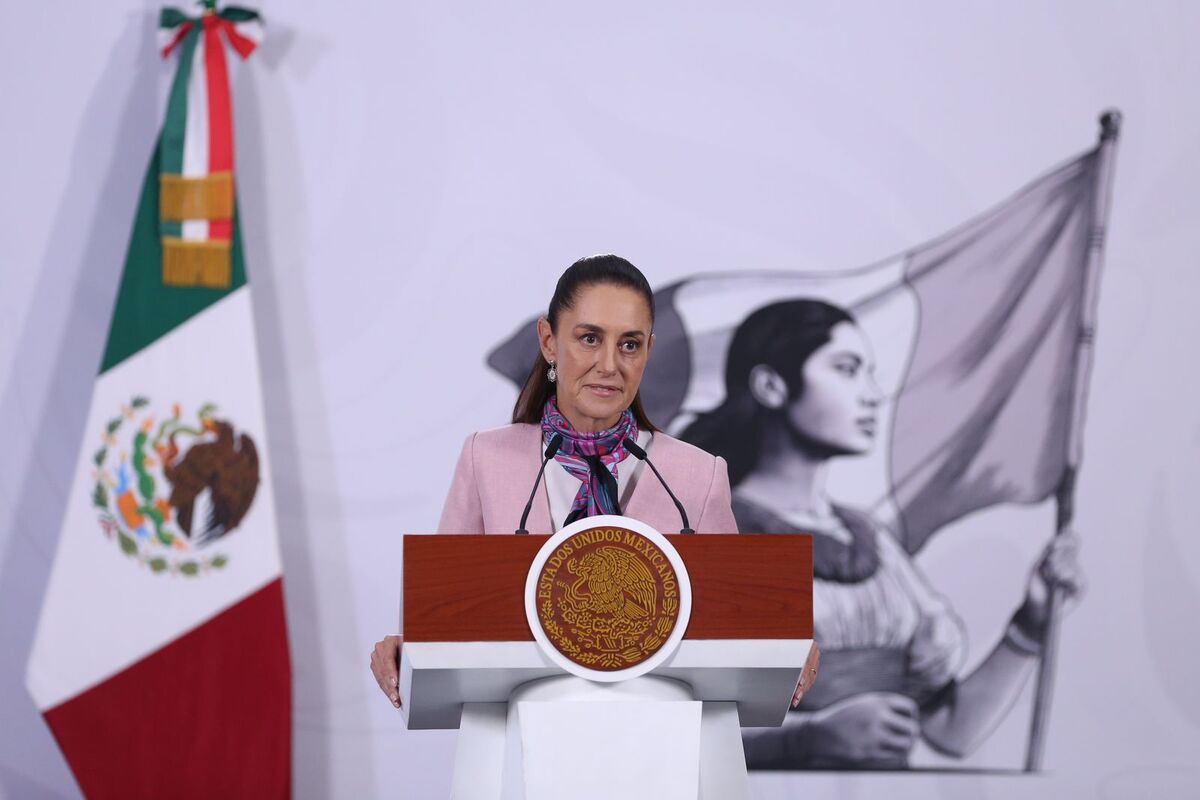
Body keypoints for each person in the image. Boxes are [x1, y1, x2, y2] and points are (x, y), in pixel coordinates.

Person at [369, 255, 821, 709]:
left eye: (630, 344)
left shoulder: (698, 475)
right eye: (589, 339)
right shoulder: (486, 458)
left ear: (648, 350)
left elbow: (734, 624)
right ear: (548, 341)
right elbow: (446, 613)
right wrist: (408, 646)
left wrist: (782, 647)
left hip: (662, 744)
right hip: (522, 739)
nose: (609, 364)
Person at [680, 298, 1084, 769]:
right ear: (771, 385)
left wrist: (1031, 624)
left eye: (870, 373)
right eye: (847, 369)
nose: (872, 394)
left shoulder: (870, 539)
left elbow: (950, 731)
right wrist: (805, 740)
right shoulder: (721, 531)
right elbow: (680, 735)